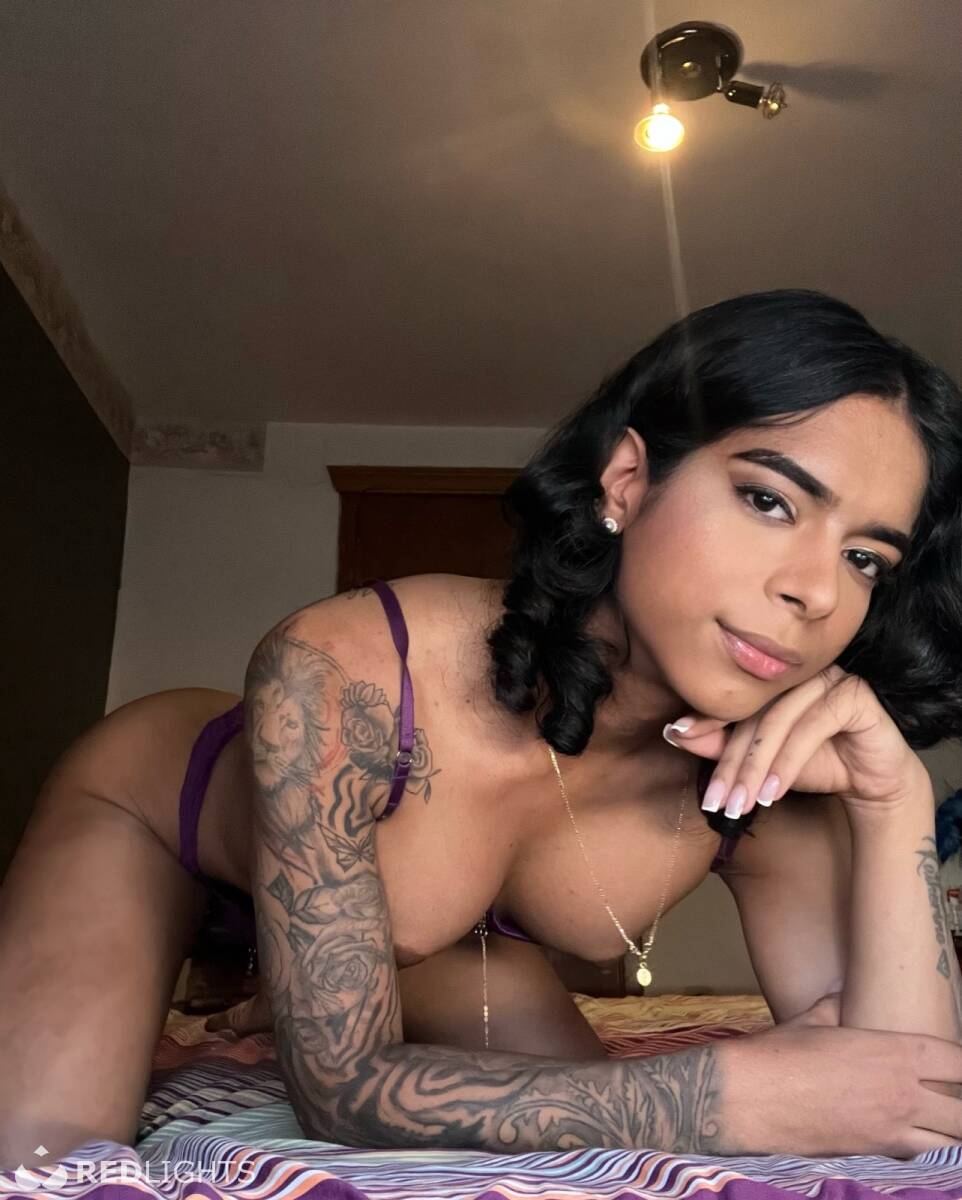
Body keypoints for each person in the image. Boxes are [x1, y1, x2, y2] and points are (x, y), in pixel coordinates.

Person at [2, 289, 962, 1166]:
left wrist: (894, 801)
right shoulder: (342, 665)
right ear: (627, 480)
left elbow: (911, 1096)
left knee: (602, 1157)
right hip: (153, 825)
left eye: (866, 559)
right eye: (768, 500)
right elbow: (339, 1092)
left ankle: (293, 998)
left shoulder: (763, 776)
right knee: (40, 1163)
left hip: (447, 957)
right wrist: (726, 1095)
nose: (816, 591)